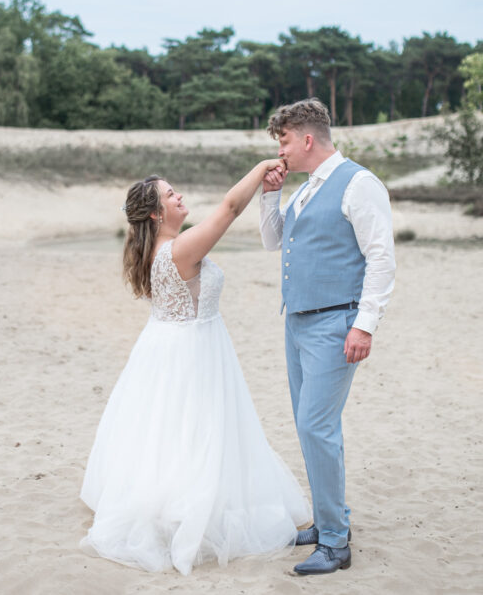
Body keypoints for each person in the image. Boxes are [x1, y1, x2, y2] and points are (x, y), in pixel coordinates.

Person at [80, 160, 311, 576]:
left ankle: (169, 502)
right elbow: (230, 209)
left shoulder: (157, 250)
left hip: (165, 346)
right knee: (197, 430)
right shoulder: (178, 249)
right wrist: (262, 168)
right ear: (156, 214)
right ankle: (185, 510)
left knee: (171, 431)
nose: (179, 196)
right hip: (192, 350)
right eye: (171, 195)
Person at [259, 98, 396, 576]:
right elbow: (274, 241)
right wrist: (269, 195)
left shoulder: (359, 183)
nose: (280, 151)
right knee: (308, 426)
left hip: (335, 323)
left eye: (283, 142)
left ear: (306, 138)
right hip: (296, 322)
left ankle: (335, 543)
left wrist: (364, 324)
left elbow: (381, 257)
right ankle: (326, 521)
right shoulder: (304, 190)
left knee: (318, 427)